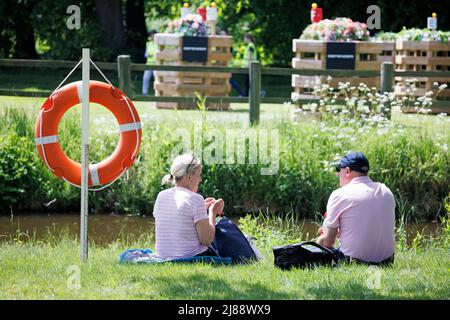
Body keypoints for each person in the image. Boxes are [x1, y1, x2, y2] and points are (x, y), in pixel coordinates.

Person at [316, 151, 396, 266]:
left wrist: (319, 240)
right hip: (387, 262)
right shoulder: (386, 191)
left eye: (338, 169)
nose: (337, 174)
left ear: (347, 171)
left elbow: (328, 243)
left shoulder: (339, 194)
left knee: (319, 250)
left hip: (354, 262)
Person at [153, 153, 224, 259]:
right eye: (199, 175)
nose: (200, 179)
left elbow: (178, 219)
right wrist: (212, 212)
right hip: (190, 256)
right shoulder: (195, 199)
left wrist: (202, 209)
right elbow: (206, 240)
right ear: (189, 176)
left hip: (162, 255)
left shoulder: (161, 195)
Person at [142, 30, 157, 96]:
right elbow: (145, 55)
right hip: (149, 64)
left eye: (153, 35)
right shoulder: (148, 43)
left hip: (156, 65)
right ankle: (144, 93)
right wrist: (148, 55)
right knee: (145, 78)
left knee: (156, 79)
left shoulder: (159, 44)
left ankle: (157, 93)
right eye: (151, 35)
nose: (152, 36)